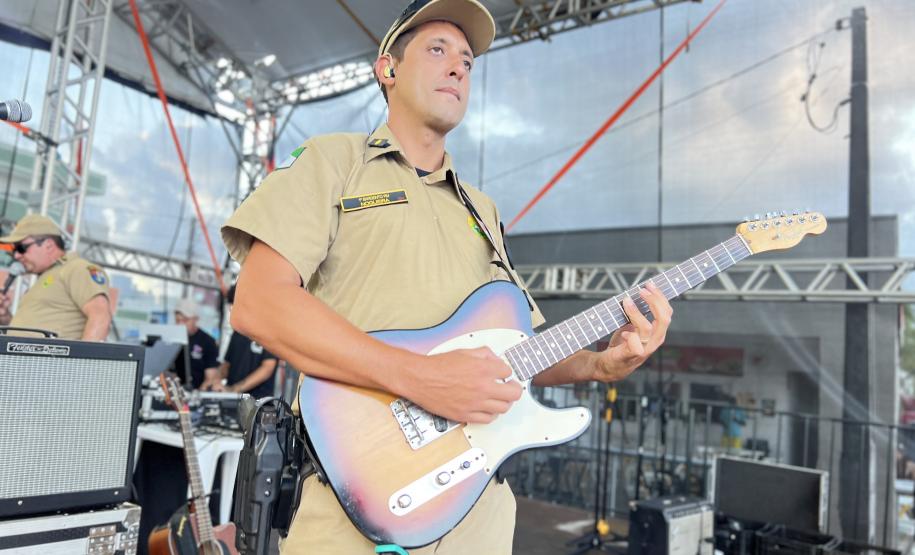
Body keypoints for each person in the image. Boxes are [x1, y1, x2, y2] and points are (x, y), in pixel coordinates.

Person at [220, 0, 673, 552]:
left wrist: (601, 364)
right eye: (437, 50)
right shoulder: (330, 162)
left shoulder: (481, 209)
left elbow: (518, 352)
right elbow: (259, 304)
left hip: (480, 512)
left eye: (467, 59)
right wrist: (418, 377)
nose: (458, 66)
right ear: (387, 69)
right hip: (356, 506)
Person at [0, 214, 111, 341]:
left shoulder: (76, 268)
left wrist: (82, 360)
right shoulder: (45, 277)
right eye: (13, 250)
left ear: (48, 245)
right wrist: (5, 317)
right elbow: (29, 333)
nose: (17, 256)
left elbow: (100, 316)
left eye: (21, 248)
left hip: (51, 361)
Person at [200, 284, 278, 397]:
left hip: (257, 403)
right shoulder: (238, 330)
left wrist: (235, 389)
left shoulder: (268, 329)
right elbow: (227, 365)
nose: (232, 310)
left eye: (235, 305)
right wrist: (213, 380)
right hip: (234, 400)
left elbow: (267, 368)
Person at [174, 297, 219, 390]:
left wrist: (197, 396)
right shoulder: (171, 339)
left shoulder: (207, 341)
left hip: (196, 393)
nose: (180, 324)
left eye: (185, 320)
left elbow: (210, 378)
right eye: (178, 320)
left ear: (196, 319)